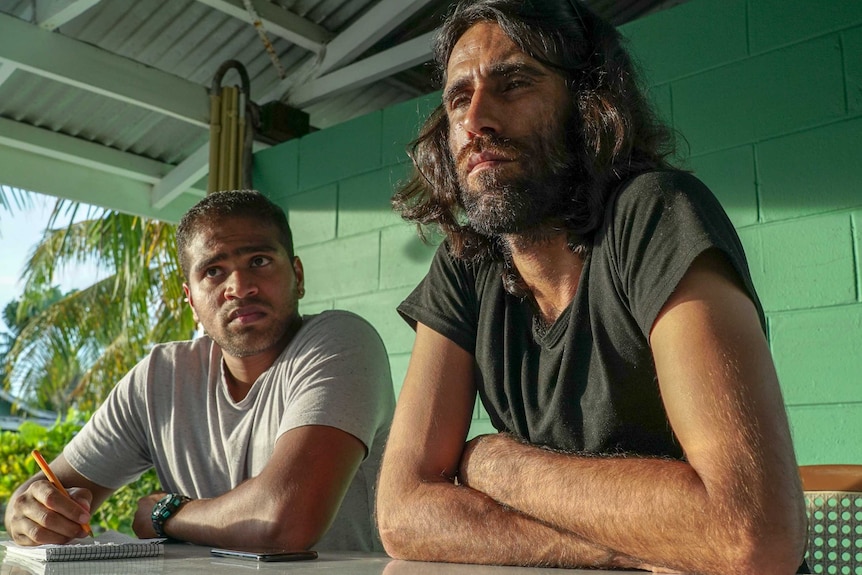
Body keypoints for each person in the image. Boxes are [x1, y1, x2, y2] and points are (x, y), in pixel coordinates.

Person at [376, 1, 807, 573]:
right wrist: (617, 550)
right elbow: (402, 514)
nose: (476, 118)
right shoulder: (466, 264)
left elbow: (754, 533)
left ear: (586, 103)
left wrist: (495, 462)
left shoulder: (655, 215)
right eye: (458, 97)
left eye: (514, 83)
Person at [5, 190, 395, 552]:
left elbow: (284, 521)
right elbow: (49, 488)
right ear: (191, 301)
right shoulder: (161, 379)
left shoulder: (341, 342)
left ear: (298, 276)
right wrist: (26, 513)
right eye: (213, 271)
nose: (240, 287)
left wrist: (165, 513)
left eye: (258, 261)